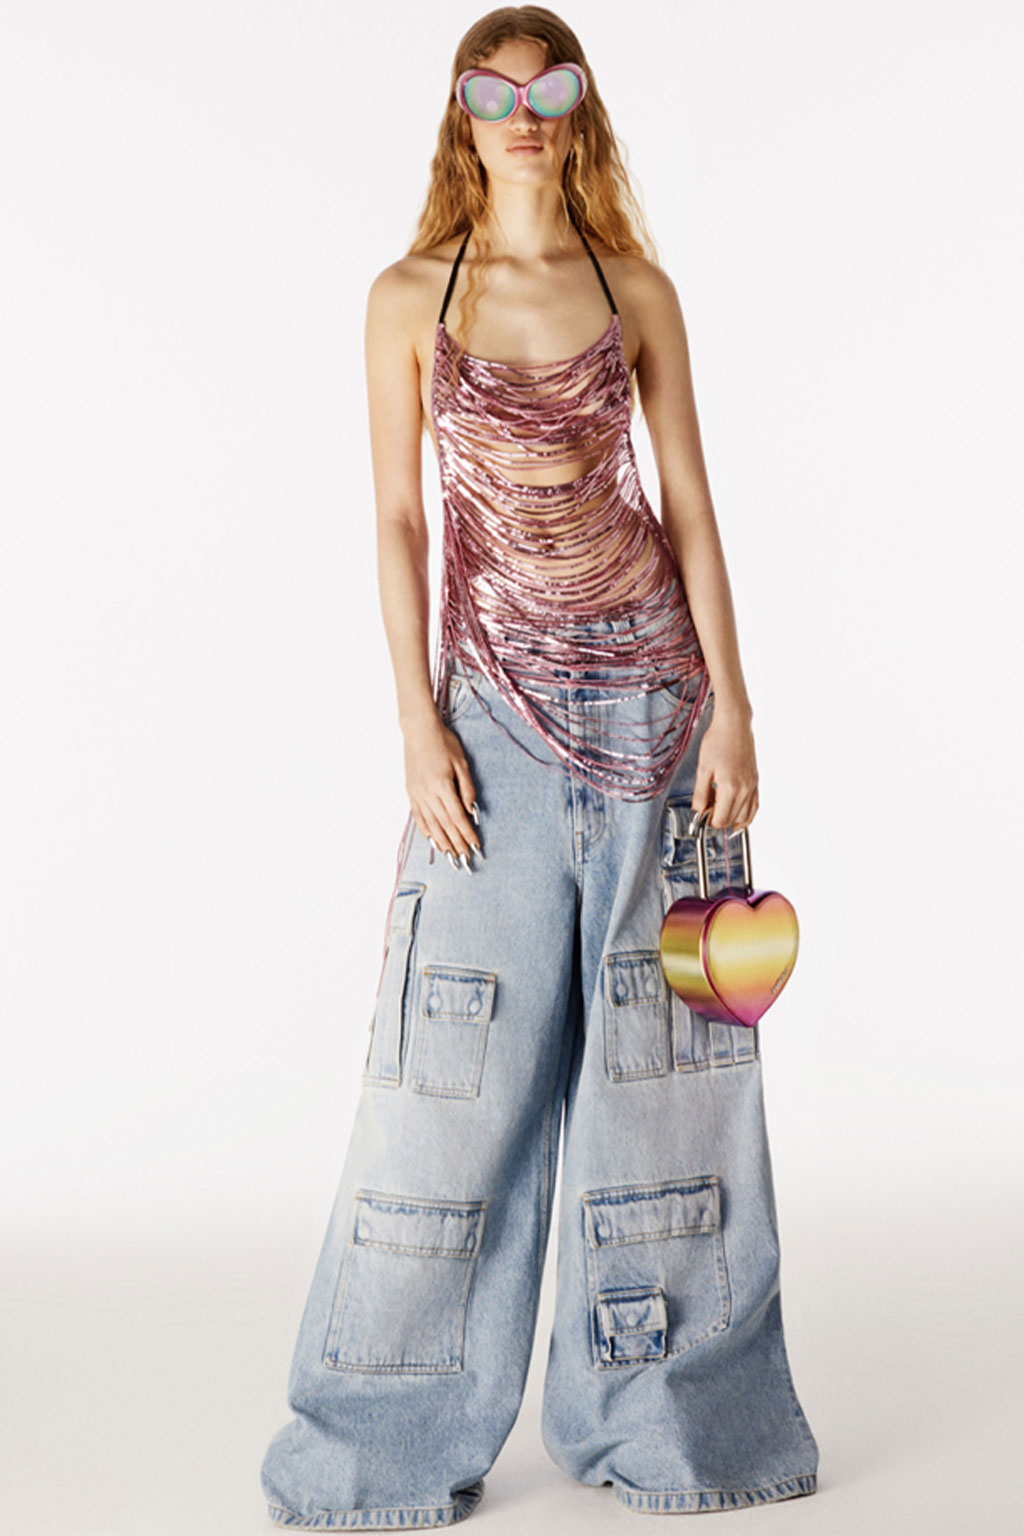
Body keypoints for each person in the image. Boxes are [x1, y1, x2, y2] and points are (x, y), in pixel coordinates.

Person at [259, 6, 819, 1526]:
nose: (522, 115)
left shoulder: (637, 290)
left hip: (657, 716)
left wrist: (736, 709)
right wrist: (415, 722)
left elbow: (689, 502)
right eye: (492, 92)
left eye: (548, 87)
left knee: (669, 1078)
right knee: (449, 1079)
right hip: (490, 725)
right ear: (462, 115)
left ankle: (677, 1427)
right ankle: (379, 1445)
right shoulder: (406, 298)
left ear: (580, 112)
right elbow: (397, 518)